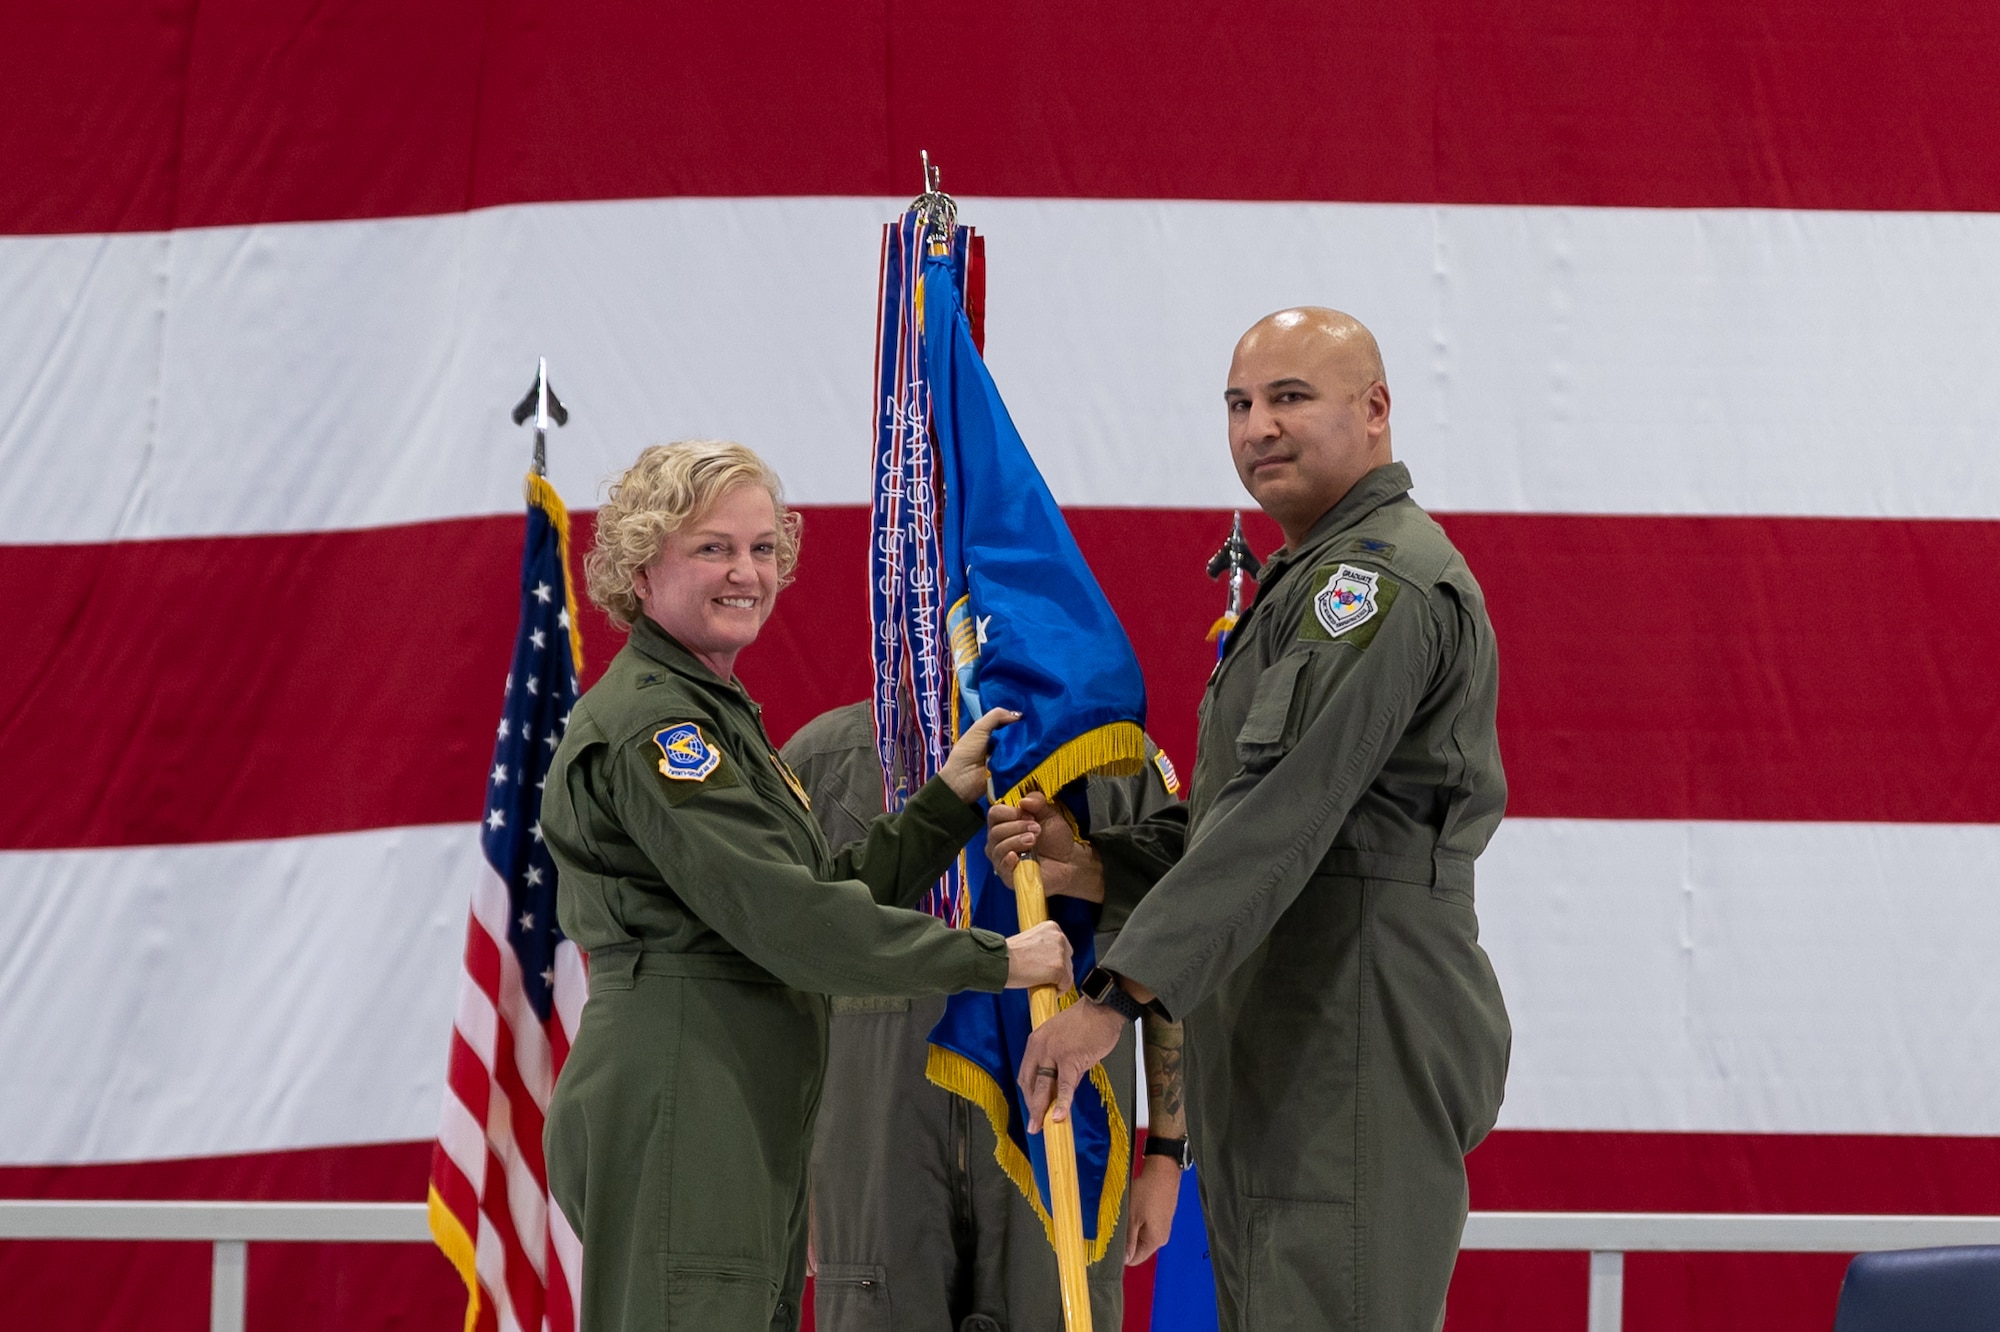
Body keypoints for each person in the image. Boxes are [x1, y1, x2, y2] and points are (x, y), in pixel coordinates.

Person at [992, 309, 1512, 1331]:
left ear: (1372, 411)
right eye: (1238, 404)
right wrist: (1089, 863)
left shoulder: (1374, 586)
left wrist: (1110, 999)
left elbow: (1280, 821)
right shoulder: (1304, 578)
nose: (1256, 428)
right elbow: (1230, 822)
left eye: (1288, 398)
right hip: (1285, 1020)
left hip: (1353, 1016)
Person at [539, 440, 1074, 1332]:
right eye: (712, 548)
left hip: (734, 1086)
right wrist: (997, 959)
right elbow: (790, 921)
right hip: (685, 1084)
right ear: (641, 565)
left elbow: (815, 888)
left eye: (762, 548)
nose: (746, 572)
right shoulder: (659, 726)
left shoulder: (715, 712)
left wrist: (948, 802)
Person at [782, 701, 1189, 1332]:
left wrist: (1165, 1154)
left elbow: (1175, 949)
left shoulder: (1112, 760)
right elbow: (780, 981)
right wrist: (791, 1174)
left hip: (1056, 1140)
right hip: (877, 1154)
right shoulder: (821, 764)